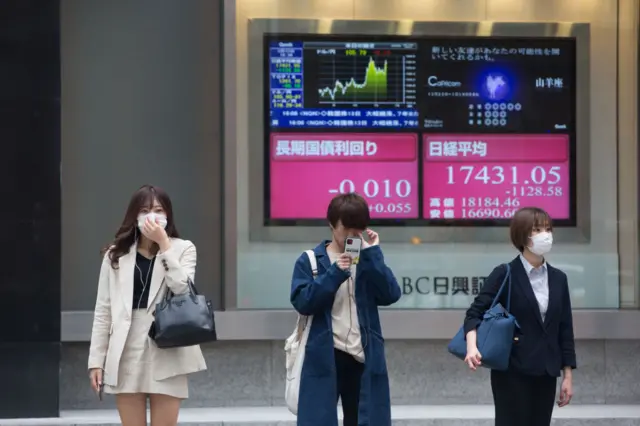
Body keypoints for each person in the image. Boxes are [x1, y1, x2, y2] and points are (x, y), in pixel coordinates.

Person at [88, 184, 206, 426]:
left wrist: (164, 245)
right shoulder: (116, 255)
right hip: (125, 347)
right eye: (144, 210)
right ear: (134, 215)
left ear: (168, 215)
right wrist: (96, 362)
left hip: (168, 345)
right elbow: (103, 311)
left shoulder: (184, 249)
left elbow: (183, 289)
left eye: (158, 210)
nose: (152, 216)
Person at [290, 193, 402, 426]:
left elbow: (391, 294)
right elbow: (303, 302)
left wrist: (373, 255)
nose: (353, 235)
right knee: (319, 419)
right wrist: (334, 273)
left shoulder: (367, 259)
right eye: (347, 229)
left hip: (362, 355)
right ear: (331, 225)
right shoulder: (311, 261)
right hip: (325, 354)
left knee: (366, 419)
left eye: (358, 229)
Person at [463, 206, 577, 426]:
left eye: (547, 228)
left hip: (546, 372)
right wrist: (472, 347)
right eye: (537, 229)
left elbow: (565, 329)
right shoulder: (505, 273)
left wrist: (568, 377)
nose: (545, 235)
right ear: (522, 235)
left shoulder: (558, 279)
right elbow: (474, 313)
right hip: (512, 371)